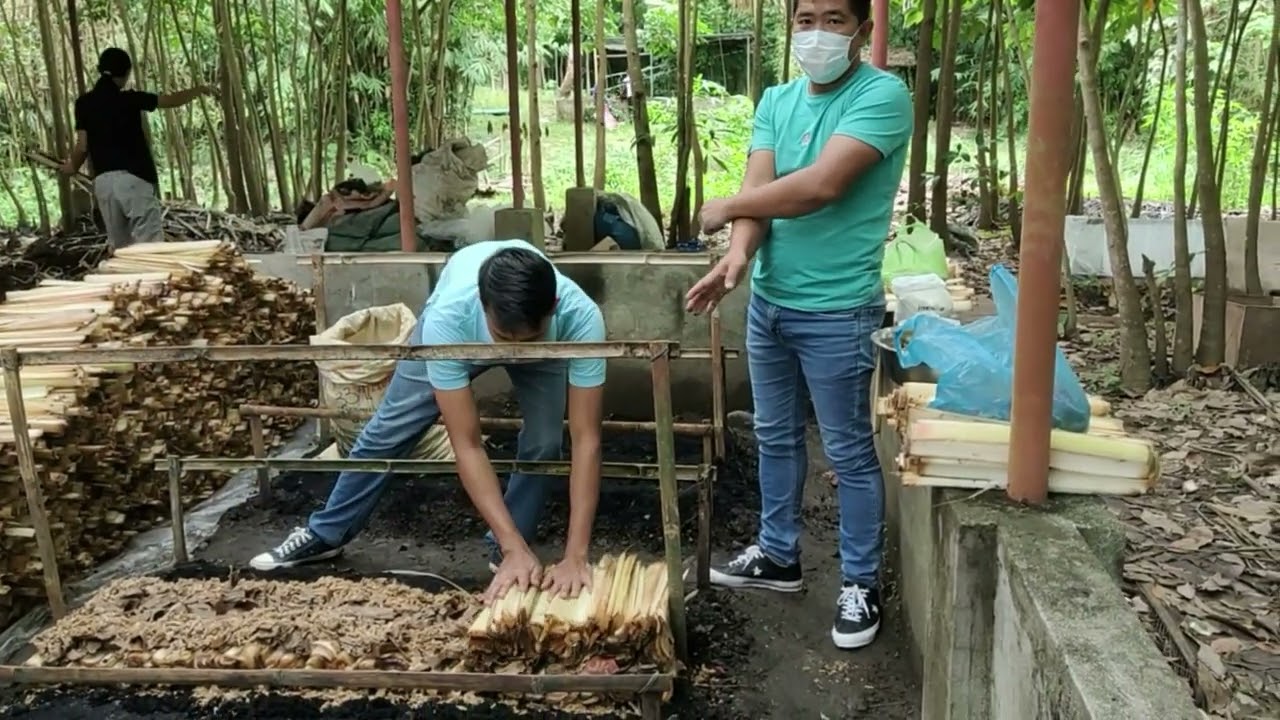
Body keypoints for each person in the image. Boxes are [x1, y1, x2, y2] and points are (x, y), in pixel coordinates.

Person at [685, 0, 912, 650]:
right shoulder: (778, 101)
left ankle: (860, 584)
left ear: (863, 30)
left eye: (833, 19)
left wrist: (725, 206)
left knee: (848, 452)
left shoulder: (882, 96)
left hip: (838, 309)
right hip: (770, 303)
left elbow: (818, 187)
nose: (816, 33)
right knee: (775, 435)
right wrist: (738, 254)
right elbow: (762, 191)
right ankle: (778, 554)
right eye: (805, 18)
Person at [251, 239, 608, 603]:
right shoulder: (448, 319)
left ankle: (509, 551)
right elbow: (466, 444)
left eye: (528, 338)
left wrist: (576, 556)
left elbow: (587, 439)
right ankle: (326, 532)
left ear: (554, 307)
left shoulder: (581, 319)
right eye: (502, 337)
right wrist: (513, 545)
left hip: (545, 355)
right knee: (390, 429)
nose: (512, 350)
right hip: (459, 340)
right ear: (482, 306)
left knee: (545, 442)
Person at [60, 47, 215, 249]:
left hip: (104, 184)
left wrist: (71, 167)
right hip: (134, 180)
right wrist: (199, 90)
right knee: (150, 248)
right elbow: (169, 100)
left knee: (120, 250)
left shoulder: (83, 103)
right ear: (126, 73)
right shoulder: (130, 99)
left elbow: (82, 146)